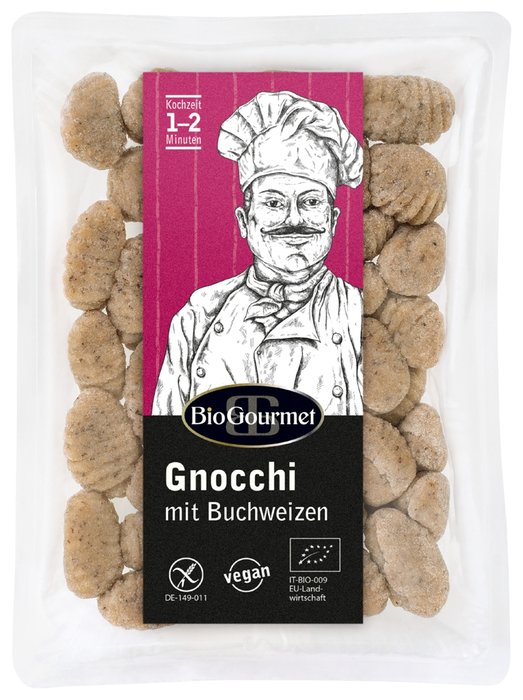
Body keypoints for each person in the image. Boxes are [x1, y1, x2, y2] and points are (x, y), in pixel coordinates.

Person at [153, 90, 363, 416]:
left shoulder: (357, 312)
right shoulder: (199, 316)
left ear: (333, 221)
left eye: (310, 201)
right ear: (244, 221)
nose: (294, 220)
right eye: (274, 202)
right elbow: (166, 434)